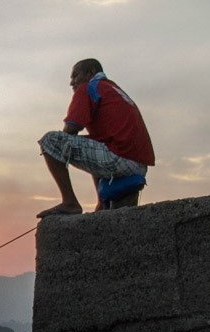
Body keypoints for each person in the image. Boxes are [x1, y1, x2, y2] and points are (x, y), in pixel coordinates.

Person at [37, 58, 155, 217]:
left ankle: (70, 202)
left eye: (75, 76)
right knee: (92, 144)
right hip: (139, 164)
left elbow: (70, 130)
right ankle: (102, 204)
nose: (72, 83)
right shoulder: (112, 88)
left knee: (50, 141)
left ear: (91, 72)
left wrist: (61, 151)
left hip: (121, 157)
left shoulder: (88, 88)